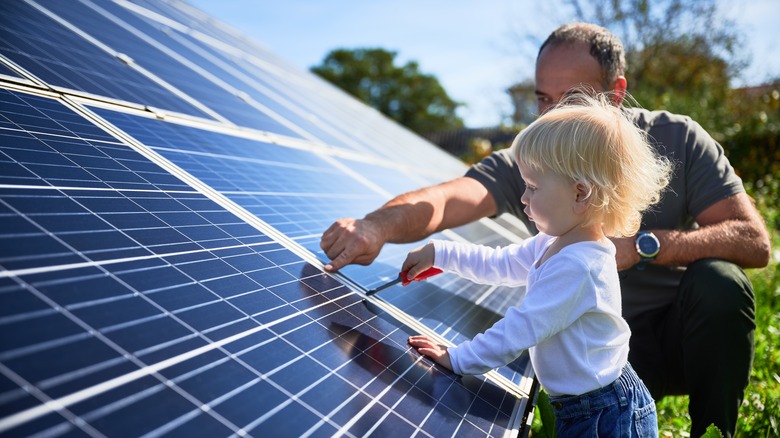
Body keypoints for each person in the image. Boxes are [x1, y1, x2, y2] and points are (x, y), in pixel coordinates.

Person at [320, 23, 771, 438]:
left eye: (570, 97)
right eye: (542, 98)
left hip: (610, 401)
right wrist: (419, 244)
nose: (549, 113)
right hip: (594, 362)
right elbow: (492, 250)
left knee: (722, 283)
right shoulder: (547, 175)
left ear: (614, 94)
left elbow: (522, 326)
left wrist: (457, 358)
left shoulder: (583, 236)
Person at [404, 93, 668, 437]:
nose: (523, 198)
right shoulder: (553, 242)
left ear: (580, 193)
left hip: (605, 414)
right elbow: (502, 264)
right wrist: (442, 254)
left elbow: (520, 329)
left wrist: (459, 358)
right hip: (587, 405)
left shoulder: (579, 265)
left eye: (532, 187)